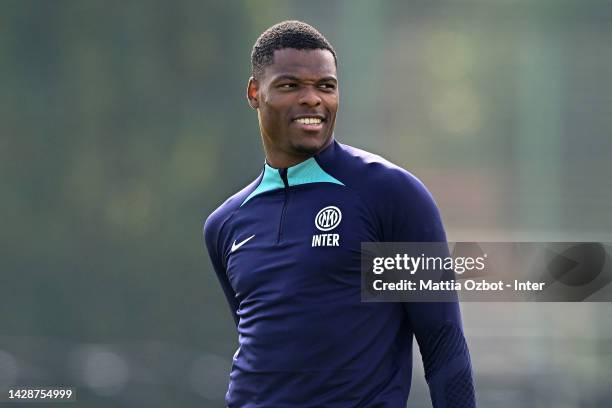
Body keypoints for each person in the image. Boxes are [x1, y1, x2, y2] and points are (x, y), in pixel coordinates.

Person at [204, 20, 475, 407]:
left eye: (325, 86)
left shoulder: (388, 195)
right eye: (290, 85)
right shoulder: (225, 225)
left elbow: (443, 343)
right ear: (254, 93)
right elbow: (266, 344)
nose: (313, 99)